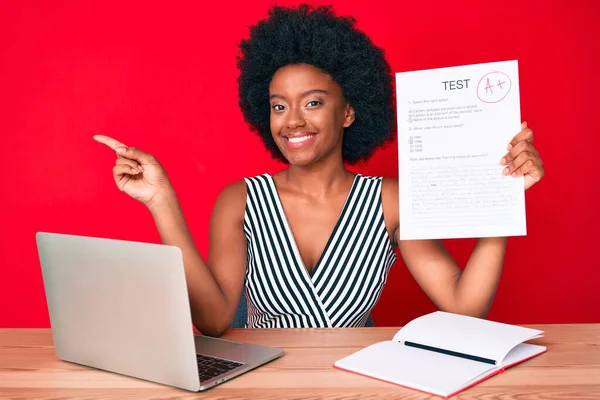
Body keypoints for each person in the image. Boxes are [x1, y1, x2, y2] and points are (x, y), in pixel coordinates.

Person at [93, 4, 544, 337]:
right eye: (278, 106)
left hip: (354, 380)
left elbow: (463, 308)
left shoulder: (391, 200)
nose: (292, 121)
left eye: (312, 102)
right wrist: (161, 201)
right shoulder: (240, 200)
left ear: (348, 112)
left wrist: (498, 199)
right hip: (260, 384)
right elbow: (212, 321)